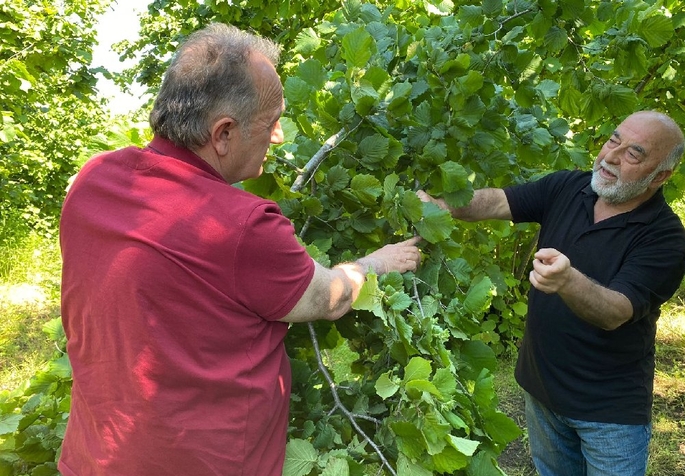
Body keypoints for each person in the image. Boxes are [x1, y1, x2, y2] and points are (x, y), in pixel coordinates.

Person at [58, 23, 421, 476]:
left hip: (96, 457)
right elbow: (332, 298)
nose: (280, 137)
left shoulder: (93, 180)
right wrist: (374, 262)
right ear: (224, 133)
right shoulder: (241, 226)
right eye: (271, 123)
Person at [418, 110, 685, 475]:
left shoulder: (665, 237)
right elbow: (497, 202)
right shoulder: (568, 187)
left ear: (662, 175)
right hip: (541, 390)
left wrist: (567, 281)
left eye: (633, 153)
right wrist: (440, 207)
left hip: (609, 412)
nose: (610, 156)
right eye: (613, 140)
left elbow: (616, 312)